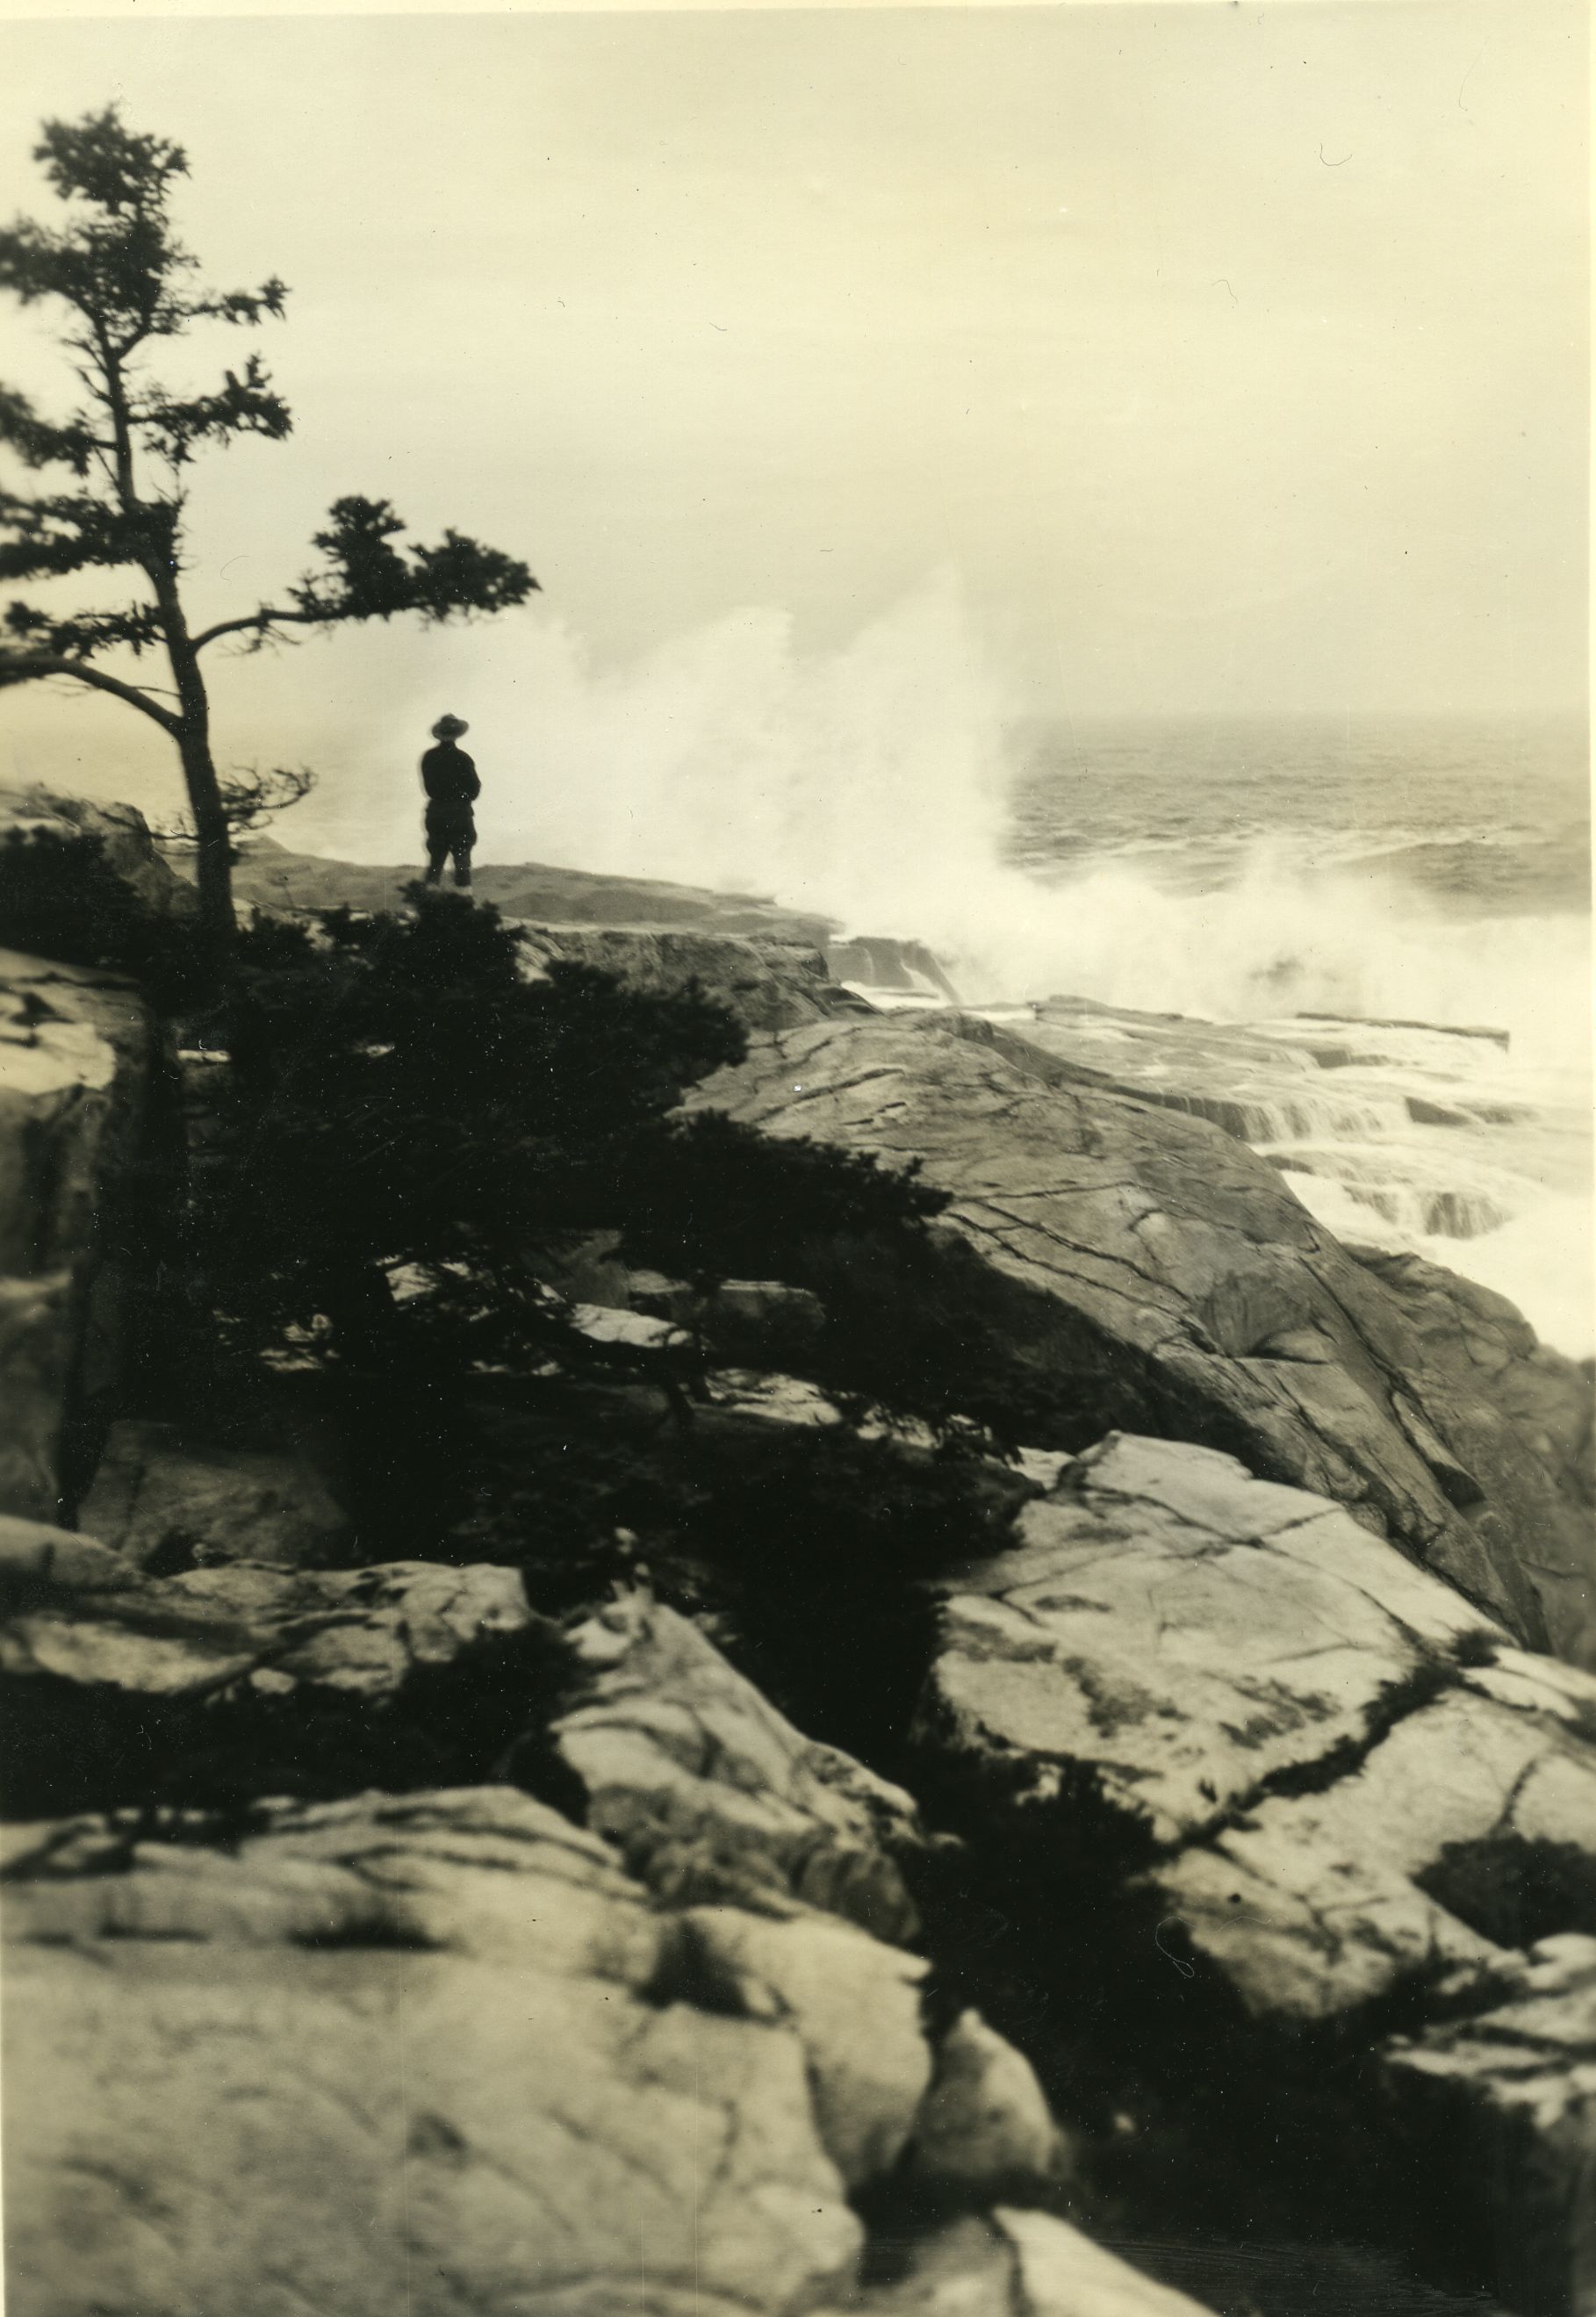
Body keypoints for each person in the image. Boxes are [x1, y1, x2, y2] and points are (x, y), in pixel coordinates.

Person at [420, 714, 480, 889]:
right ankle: (464, 906)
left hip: (436, 812)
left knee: (435, 861)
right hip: (459, 813)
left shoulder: (429, 757)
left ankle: (429, 905)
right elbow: (474, 789)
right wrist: (462, 798)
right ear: (457, 734)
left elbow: (429, 788)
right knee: (462, 862)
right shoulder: (463, 758)